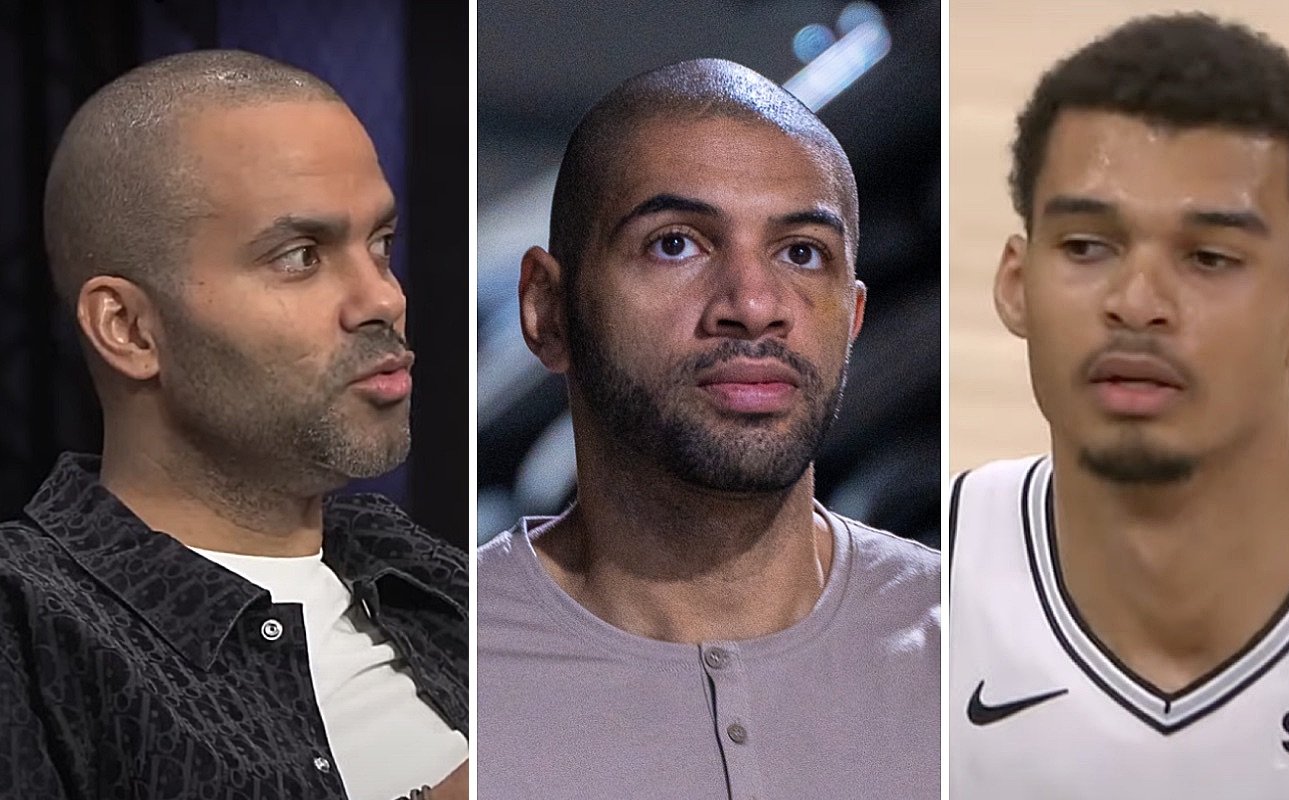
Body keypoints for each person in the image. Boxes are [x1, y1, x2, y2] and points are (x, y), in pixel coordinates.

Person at [948, 13, 1289, 798]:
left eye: (1210, 257)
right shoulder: (924, 586)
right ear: (1016, 286)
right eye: (1087, 246)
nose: (1137, 302)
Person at [0, 50, 469, 799]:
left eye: (381, 245)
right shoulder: (30, 630)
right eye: (301, 257)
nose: (382, 298)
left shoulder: (429, 575)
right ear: (128, 329)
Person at [476, 58, 941, 799]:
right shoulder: (428, 680)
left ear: (851, 320)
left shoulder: (985, 662)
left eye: (800, 253)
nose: (754, 305)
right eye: (675, 243)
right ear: (547, 309)